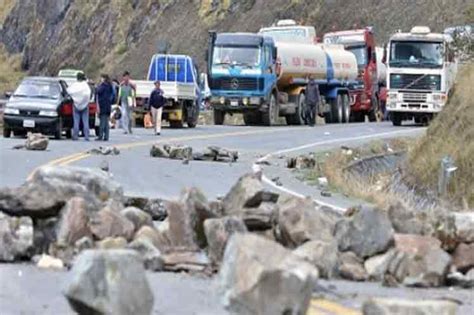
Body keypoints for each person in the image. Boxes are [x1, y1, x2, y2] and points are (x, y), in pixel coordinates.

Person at [68, 72, 91, 140]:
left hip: (76, 105)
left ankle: (75, 136)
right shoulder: (85, 85)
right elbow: (88, 94)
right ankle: (86, 136)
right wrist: (85, 102)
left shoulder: (74, 85)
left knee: (76, 121)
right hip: (85, 105)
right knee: (85, 121)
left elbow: (69, 92)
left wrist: (75, 100)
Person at [95, 74, 115, 141]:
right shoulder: (110, 86)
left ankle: (100, 136)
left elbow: (97, 91)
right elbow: (113, 94)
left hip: (102, 106)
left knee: (102, 122)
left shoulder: (103, 86)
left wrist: (98, 85)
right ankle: (106, 136)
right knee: (106, 122)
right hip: (108, 105)